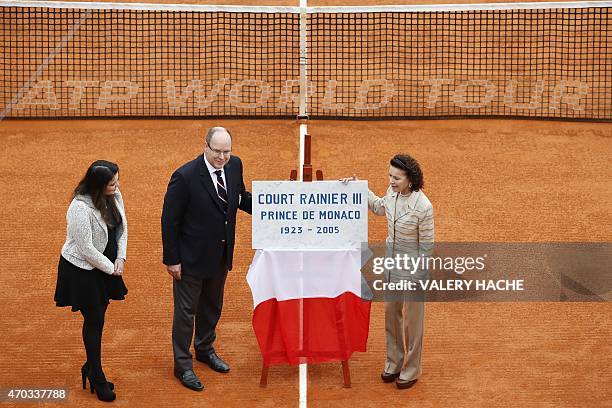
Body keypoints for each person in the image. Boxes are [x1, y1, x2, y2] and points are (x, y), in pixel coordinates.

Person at [161, 126, 252, 392]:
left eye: (227, 151)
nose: (222, 157)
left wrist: (276, 206)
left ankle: (204, 349)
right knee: (186, 313)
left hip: (220, 255)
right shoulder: (185, 177)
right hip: (189, 260)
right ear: (205, 146)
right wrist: (172, 259)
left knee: (212, 306)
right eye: (217, 151)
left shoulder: (235, 166)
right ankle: (183, 365)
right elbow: (170, 221)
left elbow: (239, 198)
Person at [344, 153, 434, 390]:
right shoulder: (392, 193)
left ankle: (412, 369)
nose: (392, 181)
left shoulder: (423, 207)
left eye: (397, 177)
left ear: (410, 180)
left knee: (412, 324)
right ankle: (394, 362)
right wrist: (359, 187)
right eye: (390, 176)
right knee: (391, 316)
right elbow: (378, 207)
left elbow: (427, 246)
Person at [54, 160, 128, 402]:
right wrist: (112, 269)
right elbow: (85, 249)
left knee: (100, 316)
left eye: (117, 181)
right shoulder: (78, 208)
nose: (117, 186)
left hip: (106, 266)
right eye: (112, 183)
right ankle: (96, 374)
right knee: (94, 319)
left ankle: (90, 366)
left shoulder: (114, 194)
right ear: (98, 186)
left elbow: (122, 229)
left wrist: (120, 257)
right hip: (83, 270)